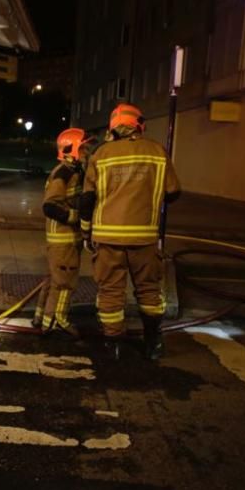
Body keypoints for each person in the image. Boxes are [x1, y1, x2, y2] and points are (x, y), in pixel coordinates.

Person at [79, 103, 181, 362]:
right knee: (148, 289)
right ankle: (153, 343)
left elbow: (87, 198)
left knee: (111, 291)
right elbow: (173, 192)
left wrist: (85, 231)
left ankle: (113, 345)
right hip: (144, 237)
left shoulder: (101, 155)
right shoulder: (157, 152)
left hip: (107, 237)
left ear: (112, 127)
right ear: (139, 125)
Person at [32, 128, 88, 336]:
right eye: (83, 148)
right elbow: (50, 206)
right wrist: (75, 217)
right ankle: (57, 321)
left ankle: (41, 317)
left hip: (64, 239)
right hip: (63, 239)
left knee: (54, 279)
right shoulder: (63, 173)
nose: (86, 151)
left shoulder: (71, 172)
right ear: (71, 150)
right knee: (66, 282)